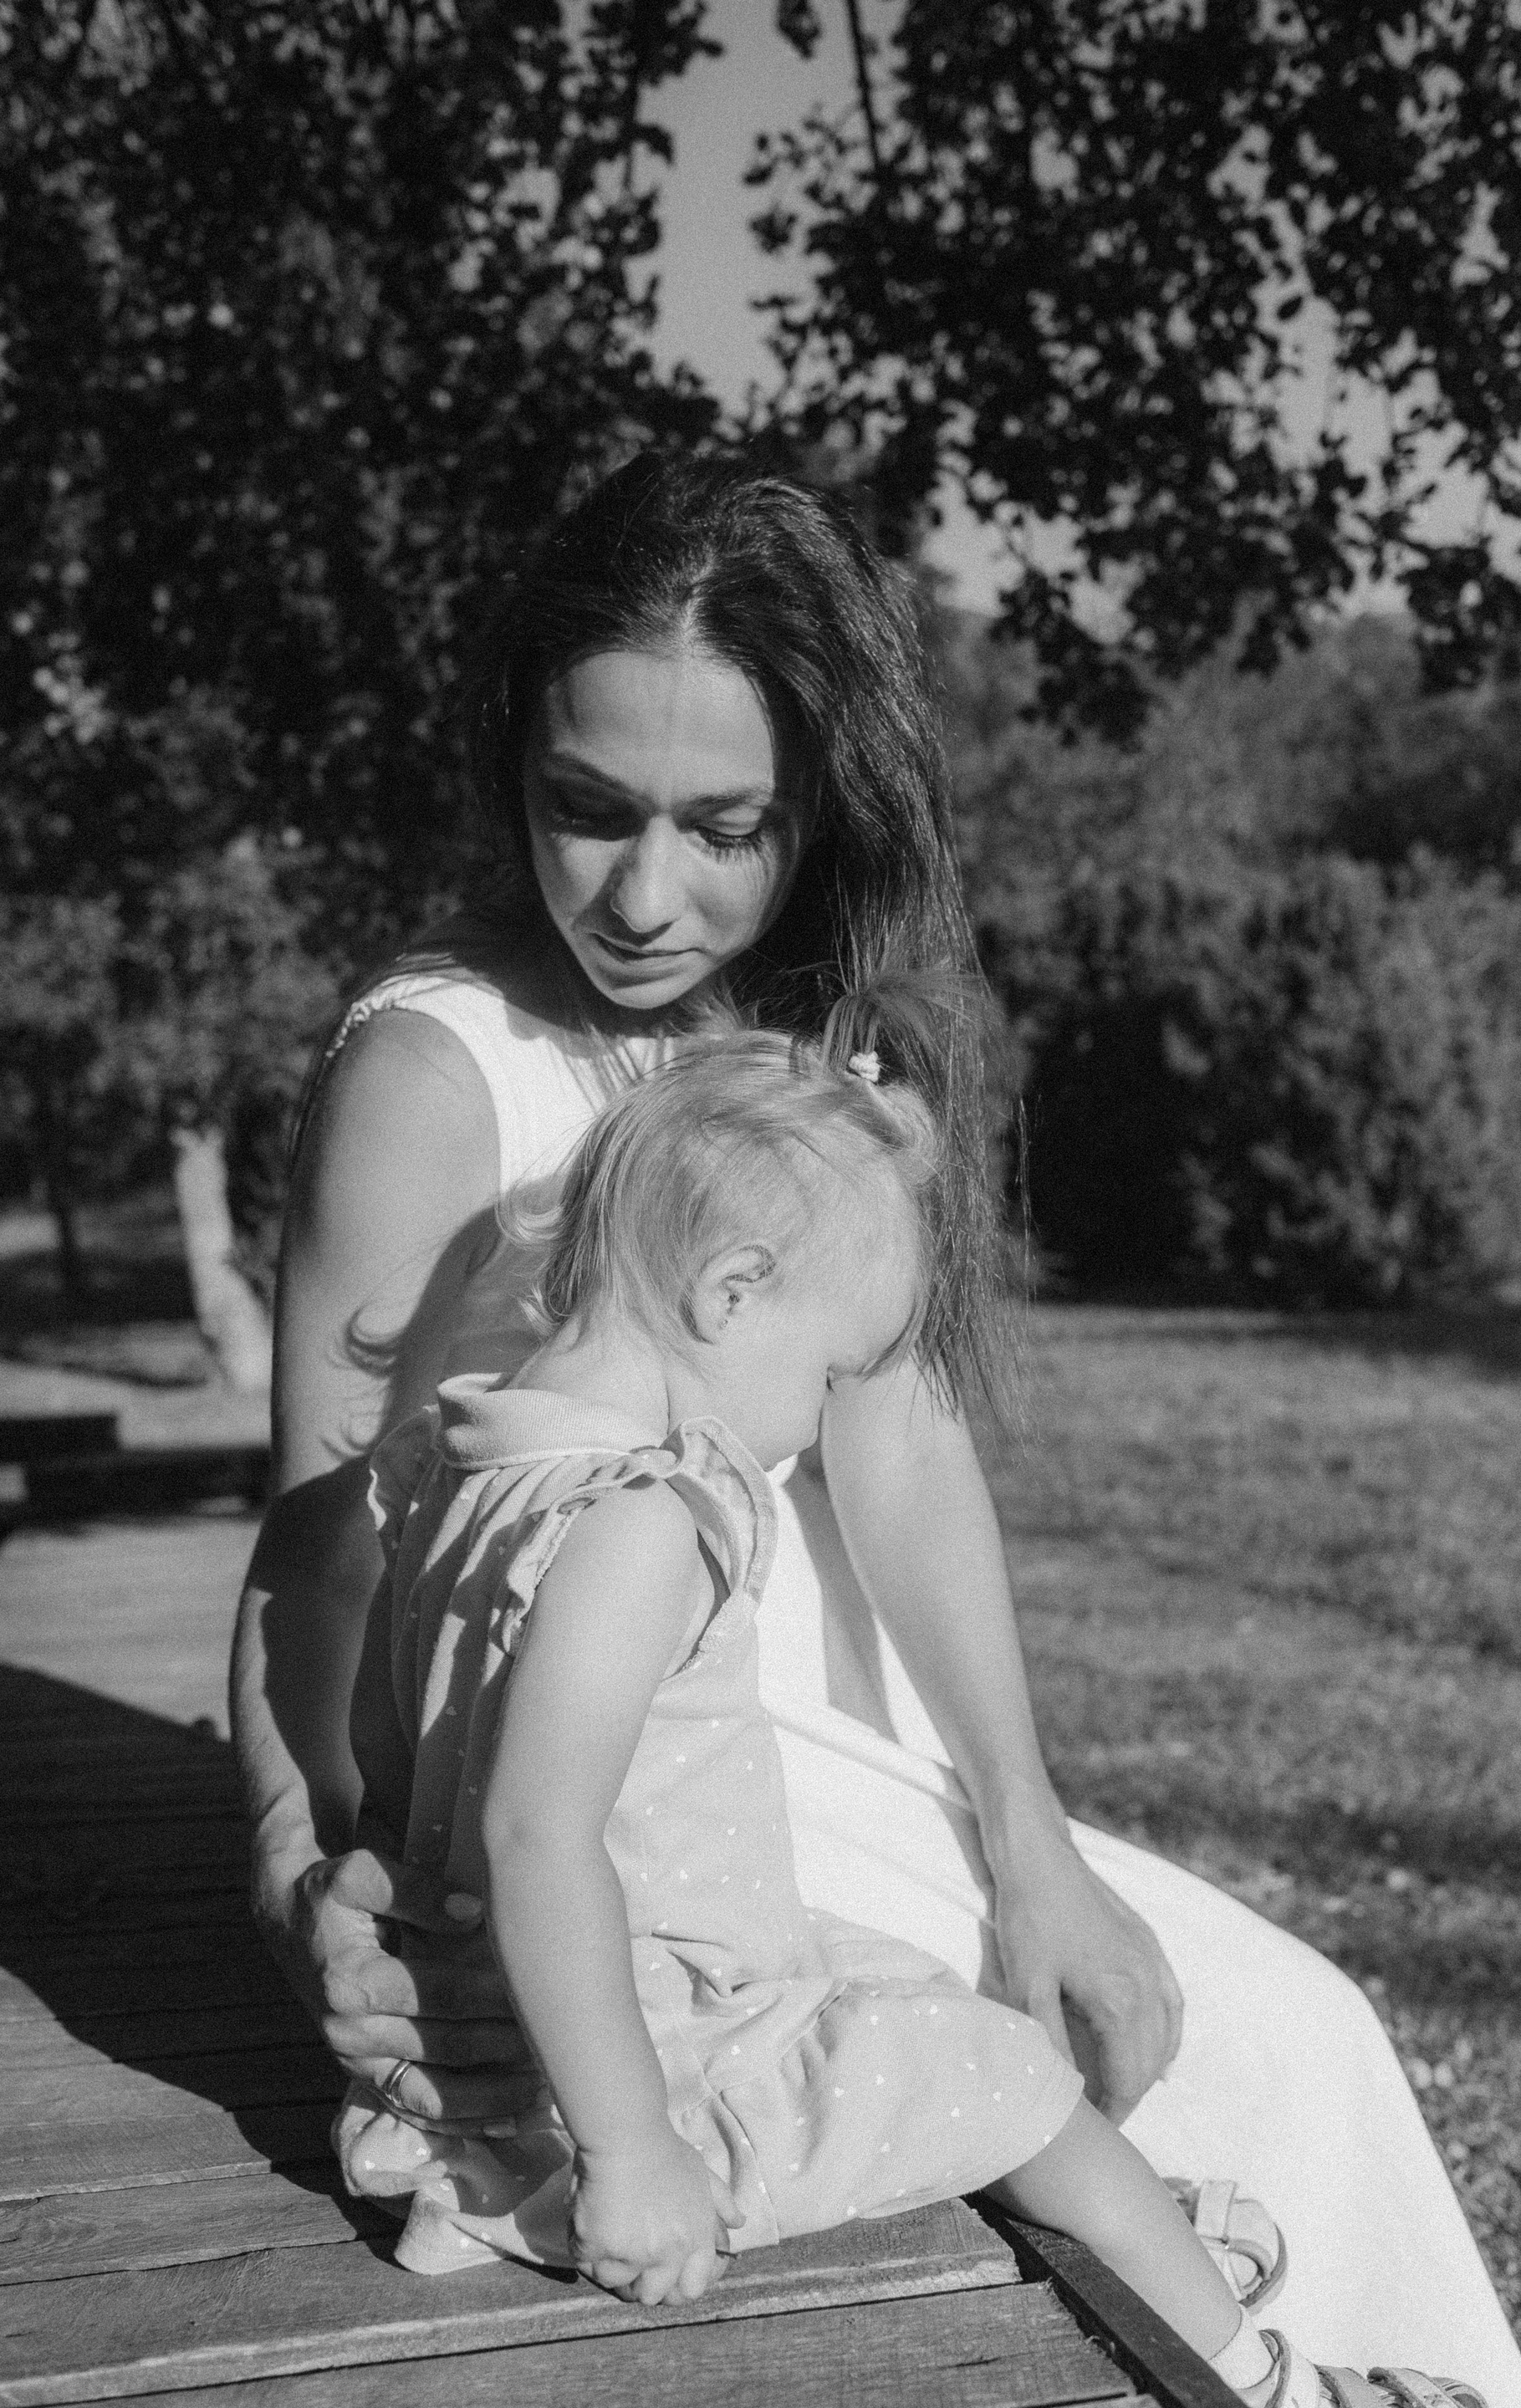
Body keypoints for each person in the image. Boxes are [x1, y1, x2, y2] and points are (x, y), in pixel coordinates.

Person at [232, 454, 1521, 2394]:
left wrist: (1031, 1835)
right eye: (587, 808)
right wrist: (306, 1873)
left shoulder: (823, 1042)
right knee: (1215, 2062)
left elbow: (900, 1450)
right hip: (634, 1790)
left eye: (721, 827)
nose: (644, 895)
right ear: (510, 762)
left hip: (834, 1741)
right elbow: (320, 1557)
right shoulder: (437, 1073)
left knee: (1281, 2030)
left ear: (823, 803)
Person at [333, 1008, 1486, 2408]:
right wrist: (632, 2155)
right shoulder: (639, 1516)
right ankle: (1265, 2380)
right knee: (1009, 2076)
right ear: (732, 1293)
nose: (820, 1419)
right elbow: (537, 1838)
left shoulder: (453, 1464)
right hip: (635, 2084)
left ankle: (1153, 2243)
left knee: (903, 1984)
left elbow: (392, 1750)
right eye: (833, 1373)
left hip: (516, 2045)